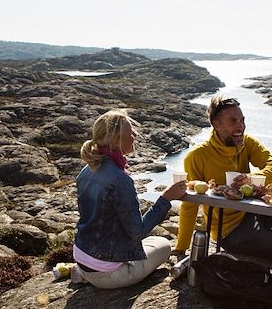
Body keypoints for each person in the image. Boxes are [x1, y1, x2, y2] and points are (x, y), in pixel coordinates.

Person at [175, 95, 272, 265]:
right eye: (232, 121)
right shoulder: (197, 156)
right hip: (232, 232)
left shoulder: (247, 143)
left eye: (242, 120)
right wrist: (181, 248)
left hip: (254, 212)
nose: (240, 126)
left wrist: (250, 179)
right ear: (217, 125)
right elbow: (190, 203)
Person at [74, 110, 188, 289]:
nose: (135, 135)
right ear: (114, 140)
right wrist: (166, 198)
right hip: (110, 273)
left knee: (149, 245)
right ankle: (102, 278)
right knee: (164, 245)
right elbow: (137, 233)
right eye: (130, 131)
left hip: (82, 257)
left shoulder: (86, 171)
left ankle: (85, 275)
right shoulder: (120, 179)